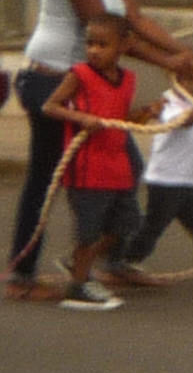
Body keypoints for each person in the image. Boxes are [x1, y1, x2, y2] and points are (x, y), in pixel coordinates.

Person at [8, 0, 193, 301]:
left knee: (125, 174)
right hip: (54, 83)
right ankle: (21, 278)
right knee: (48, 180)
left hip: (92, 86)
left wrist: (189, 53)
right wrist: (171, 62)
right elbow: (112, 34)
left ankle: (106, 263)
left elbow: (135, 20)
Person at [42, 16, 153, 312]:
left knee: (127, 222)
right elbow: (50, 106)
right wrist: (80, 118)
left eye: (102, 45)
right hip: (87, 169)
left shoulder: (128, 79)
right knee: (88, 230)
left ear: (123, 46)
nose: (93, 51)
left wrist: (144, 116)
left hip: (116, 167)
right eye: (90, 43)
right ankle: (78, 285)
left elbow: (120, 119)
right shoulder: (79, 75)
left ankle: (79, 262)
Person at [124, 76, 193, 276]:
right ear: (176, 81)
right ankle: (127, 259)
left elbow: (188, 131)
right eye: (190, 80)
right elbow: (185, 122)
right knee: (153, 226)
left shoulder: (191, 102)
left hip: (188, 179)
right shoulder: (167, 104)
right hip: (166, 181)